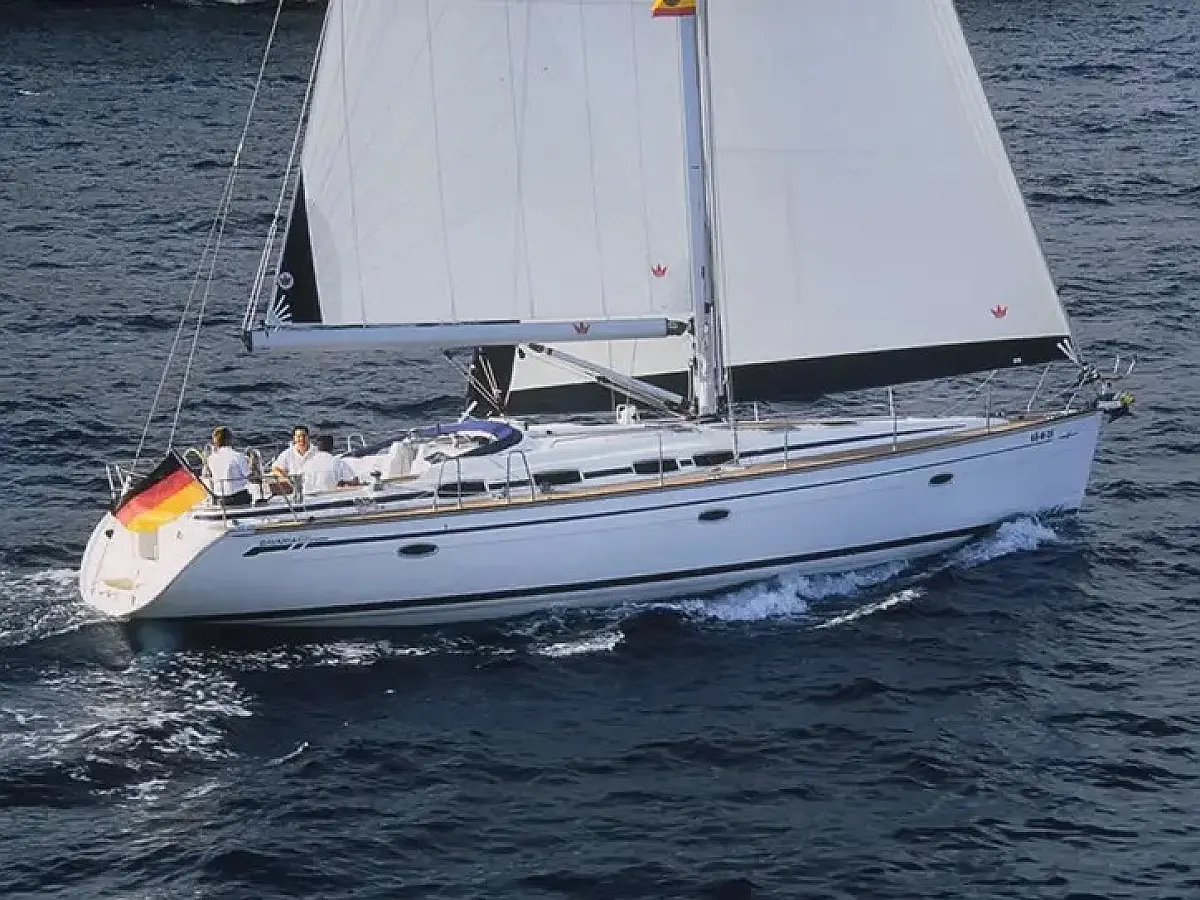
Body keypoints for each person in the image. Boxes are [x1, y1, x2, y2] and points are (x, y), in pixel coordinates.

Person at [205, 426, 253, 507]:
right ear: (229, 440)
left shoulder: (210, 459)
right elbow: (251, 478)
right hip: (238, 497)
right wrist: (253, 466)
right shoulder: (238, 456)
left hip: (220, 498)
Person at [271, 424, 316, 491]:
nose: (301, 439)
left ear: (308, 437)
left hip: (314, 487)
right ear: (294, 438)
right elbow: (275, 468)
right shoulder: (288, 453)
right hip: (294, 488)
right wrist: (286, 479)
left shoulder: (317, 451)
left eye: (304, 436)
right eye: (298, 436)